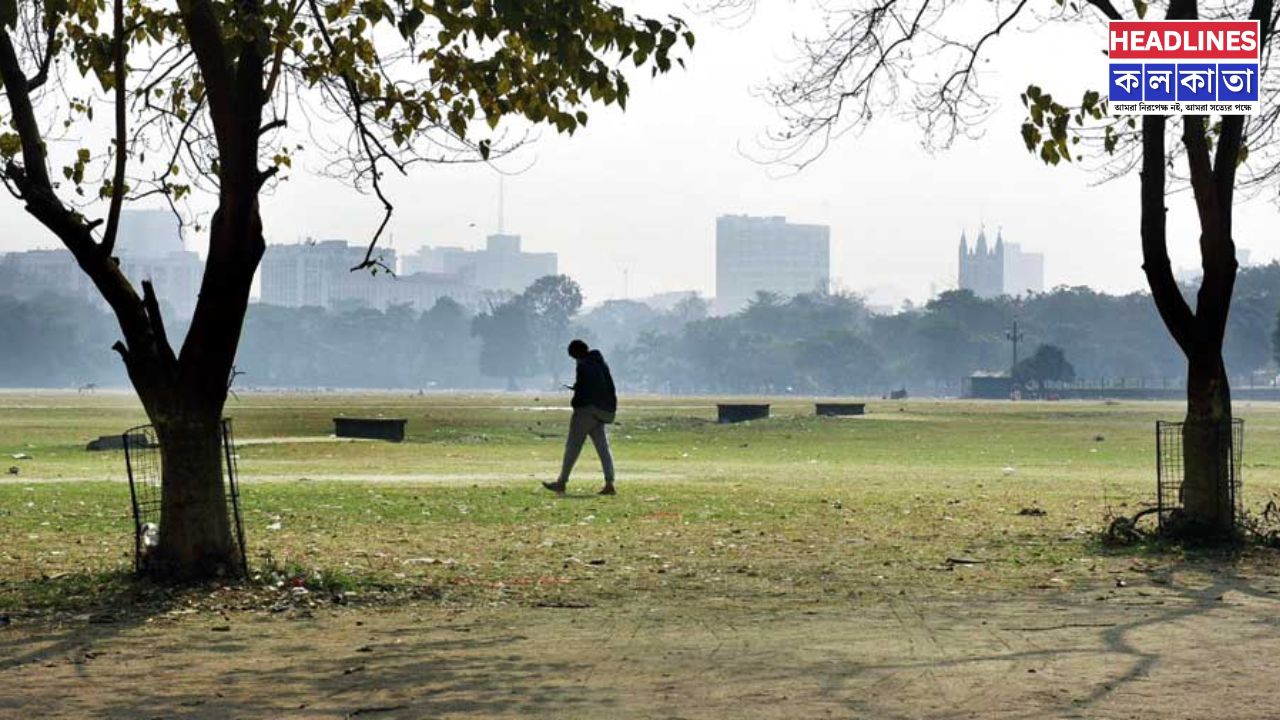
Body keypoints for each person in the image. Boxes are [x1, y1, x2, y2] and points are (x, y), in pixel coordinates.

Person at [543, 339, 617, 495]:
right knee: (603, 448)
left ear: (577, 353)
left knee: (572, 447)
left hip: (586, 411)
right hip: (601, 411)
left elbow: (584, 389)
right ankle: (610, 483)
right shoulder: (600, 363)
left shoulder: (583, 365)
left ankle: (561, 482)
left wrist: (576, 401)